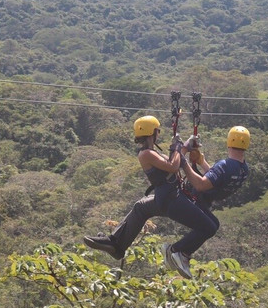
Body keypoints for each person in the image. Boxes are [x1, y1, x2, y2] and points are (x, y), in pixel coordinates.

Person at [83, 115, 218, 278]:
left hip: (166, 197)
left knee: (141, 207)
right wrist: (177, 148)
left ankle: (116, 244)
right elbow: (173, 165)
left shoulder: (152, 152)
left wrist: (185, 147)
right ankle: (178, 251)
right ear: (153, 133)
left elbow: (175, 161)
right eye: (158, 131)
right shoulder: (146, 154)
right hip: (171, 199)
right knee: (209, 226)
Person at [174, 125, 251, 268]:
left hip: (195, 198)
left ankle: (178, 251)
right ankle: (181, 252)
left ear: (229, 141)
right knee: (212, 226)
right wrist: (202, 162)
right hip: (205, 201)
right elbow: (216, 180)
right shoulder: (244, 169)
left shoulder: (224, 165)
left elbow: (201, 185)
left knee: (212, 226)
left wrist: (184, 163)